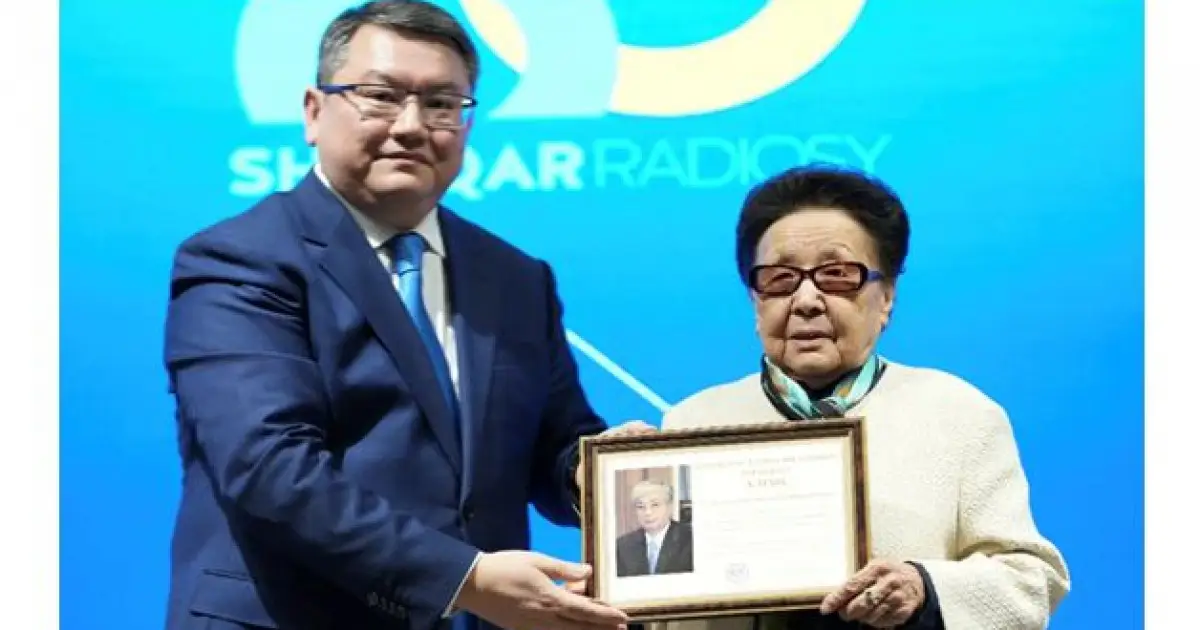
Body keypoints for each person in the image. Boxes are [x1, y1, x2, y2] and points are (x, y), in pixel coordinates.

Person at [162, 2, 651, 629]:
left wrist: (600, 474)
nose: (412, 125)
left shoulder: (515, 277)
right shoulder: (241, 259)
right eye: (380, 96)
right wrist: (464, 579)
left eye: (442, 104)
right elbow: (270, 467)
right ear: (314, 111)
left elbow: (552, 444)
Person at [649, 166, 1070, 630]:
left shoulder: (961, 416)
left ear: (886, 296)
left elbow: (1030, 582)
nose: (806, 300)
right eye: (781, 279)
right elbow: (658, 600)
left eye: (836, 275)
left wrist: (923, 588)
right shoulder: (692, 423)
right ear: (755, 299)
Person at [615, 480, 694, 577]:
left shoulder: (691, 539)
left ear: (670, 507)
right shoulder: (622, 546)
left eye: (655, 505)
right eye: (640, 506)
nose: (648, 512)